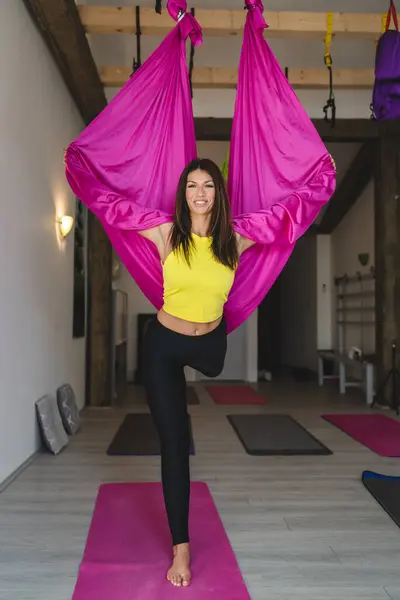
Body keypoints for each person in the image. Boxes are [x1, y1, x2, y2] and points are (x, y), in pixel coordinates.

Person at [138, 157, 255, 588]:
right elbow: (112, 207)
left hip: (210, 348)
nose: (200, 193)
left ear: (217, 193)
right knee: (174, 442)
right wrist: (81, 169)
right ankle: (181, 547)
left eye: (208, 185)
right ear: (183, 193)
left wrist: (319, 181)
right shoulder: (166, 233)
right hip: (165, 347)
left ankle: (210, 336)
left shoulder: (234, 239)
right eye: (192, 185)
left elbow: (288, 221)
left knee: (213, 358)